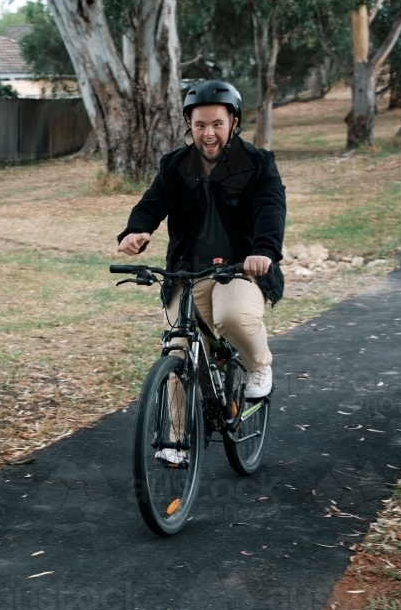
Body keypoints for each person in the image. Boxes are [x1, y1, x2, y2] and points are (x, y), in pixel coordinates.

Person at [116, 79, 286, 404]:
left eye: (217, 124)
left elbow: (270, 208)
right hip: (188, 274)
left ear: (234, 122)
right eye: (200, 125)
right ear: (189, 125)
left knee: (232, 316)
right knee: (178, 353)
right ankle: (175, 447)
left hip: (239, 269)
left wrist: (264, 250)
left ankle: (259, 366)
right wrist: (136, 230)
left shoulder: (258, 164)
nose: (209, 133)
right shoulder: (176, 165)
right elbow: (152, 203)